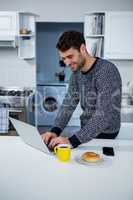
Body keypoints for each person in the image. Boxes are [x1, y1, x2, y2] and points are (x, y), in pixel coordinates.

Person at [41, 30, 122, 149]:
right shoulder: (76, 73)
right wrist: (55, 131)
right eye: (63, 58)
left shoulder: (106, 71)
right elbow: (68, 104)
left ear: (82, 49)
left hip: (106, 135)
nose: (67, 62)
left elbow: (103, 116)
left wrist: (72, 140)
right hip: (85, 132)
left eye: (70, 56)